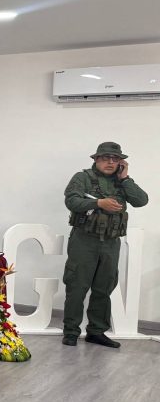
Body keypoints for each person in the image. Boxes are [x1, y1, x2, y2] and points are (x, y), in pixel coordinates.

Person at [62, 142, 148, 348]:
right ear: (96, 159)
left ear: (121, 163)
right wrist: (98, 203)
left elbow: (141, 200)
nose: (110, 162)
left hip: (110, 242)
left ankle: (96, 332)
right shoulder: (82, 178)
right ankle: (71, 331)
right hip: (84, 240)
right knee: (77, 286)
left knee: (104, 287)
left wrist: (125, 178)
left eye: (115, 159)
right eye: (105, 158)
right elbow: (71, 201)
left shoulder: (122, 182)